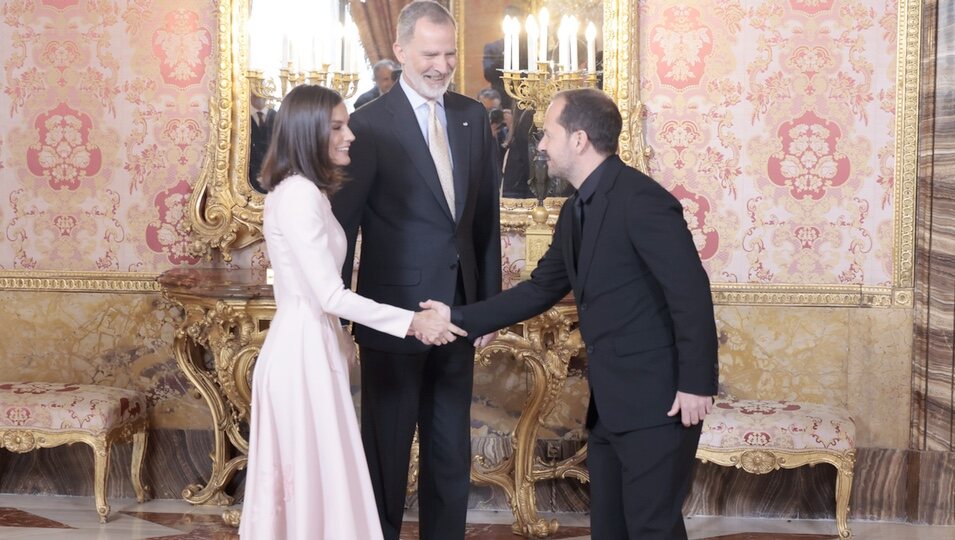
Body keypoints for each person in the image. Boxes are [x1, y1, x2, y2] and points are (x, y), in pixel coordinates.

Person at [428, 88, 720, 540]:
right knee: (609, 527)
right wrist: (462, 318)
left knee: (652, 528)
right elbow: (541, 289)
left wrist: (697, 384)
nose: (540, 144)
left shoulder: (642, 200)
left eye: (548, 133)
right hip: (611, 406)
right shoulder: (575, 209)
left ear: (579, 139)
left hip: (660, 399)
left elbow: (691, 294)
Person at [239, 85, 465, 540]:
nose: (350, 136)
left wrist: (340, 338)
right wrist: (410, 321)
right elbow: (330, 294)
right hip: (301, 355)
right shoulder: (299, 195)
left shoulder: (304, 192)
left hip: (312, 346)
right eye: (338, 127)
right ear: (309, 133)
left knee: (319, 483)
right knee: (311, 483)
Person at [331, 2, 502, 539]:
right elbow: (344, 227)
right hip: (391, 317)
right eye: (430, 53)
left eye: (450, 53)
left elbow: (484, 225)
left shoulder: (473, 117)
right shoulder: (366, 125)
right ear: (401, 51)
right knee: (385, 451)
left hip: (457, 313)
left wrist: (486, 307)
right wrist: (336, 314)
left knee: (450, 450)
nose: (441, 64)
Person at [248, 93, 275, 193]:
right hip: (249, 177)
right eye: (254, 94)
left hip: (274, 174)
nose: (258, 97)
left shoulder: (277, 116)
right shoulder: (242, 118)